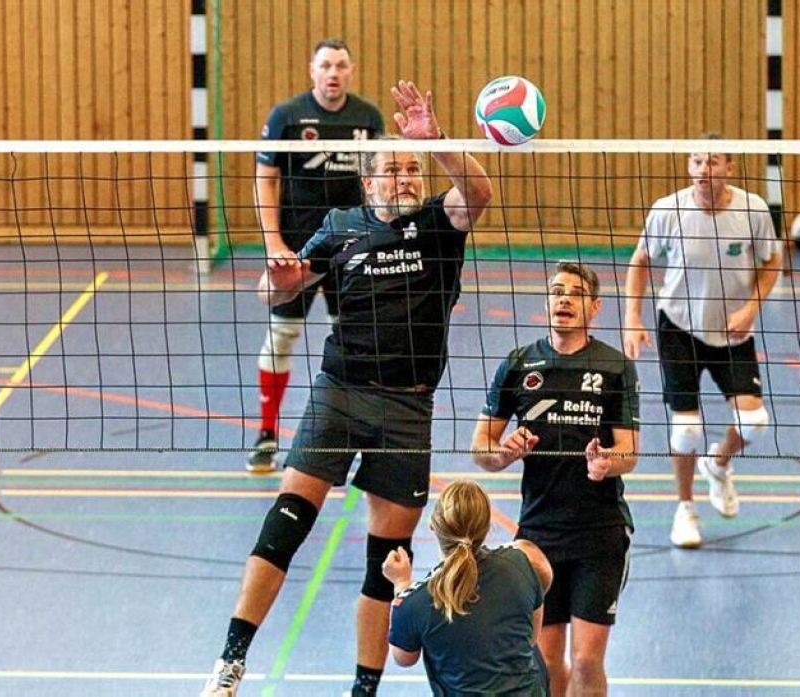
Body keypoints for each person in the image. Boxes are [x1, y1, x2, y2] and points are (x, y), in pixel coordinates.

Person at [200, 80, 493, 697]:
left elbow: (480, 190)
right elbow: (278, 290)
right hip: (339, 391)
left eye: (410, 168)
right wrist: (276, 280)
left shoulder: (441, 224)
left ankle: (363, 689)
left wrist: (432, 141)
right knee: (284, 525)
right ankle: (230, 662)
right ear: (368, 182)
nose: (404, 177)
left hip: (408, 407)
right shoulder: (339, 226)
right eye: (391, 169)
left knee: (384, 564)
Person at [471, 261, 640, 697]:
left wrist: (607, 463)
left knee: (585, 660)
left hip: (598, 533)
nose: (564, 298)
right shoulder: (518, 365)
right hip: (540, 532)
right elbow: (481, 448)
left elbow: (629, 451)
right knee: (546, 660)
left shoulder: (615, 367)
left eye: (576, 292)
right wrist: (503, 453)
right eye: (557, 290)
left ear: (594, 307)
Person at [622, 134, 782, 549]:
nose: (702, 171)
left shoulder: (753, 210)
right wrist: (632, 318)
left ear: (730, 168)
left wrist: (751, 308)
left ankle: (719, 462)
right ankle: (686, 507)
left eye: (712, 162)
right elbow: (640, 261)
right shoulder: (667, 210)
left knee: (754, 421)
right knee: (686, 429)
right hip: (678, 328)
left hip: (733, 332)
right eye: (696, 162)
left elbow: (772, 262)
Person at [247, 37, 386, 474]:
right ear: (312, 71)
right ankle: (267, 435)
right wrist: (274, 243)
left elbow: (379, 181)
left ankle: (353, 435)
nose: (333, 73)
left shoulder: (368, 118)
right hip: (299, 249)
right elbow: (265, 178)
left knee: (353, 341)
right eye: (325, 65)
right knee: (283, 335)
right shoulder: (287, 117)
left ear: (351, 70)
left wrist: (382, 241)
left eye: (341, 65)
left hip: (352, 250)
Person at [383, 479, 554, 696]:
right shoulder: (519, 564)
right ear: (486, 526)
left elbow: (404, 658)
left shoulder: (414, 602)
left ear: (433, 526)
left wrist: (401, 584)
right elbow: (531, 637)